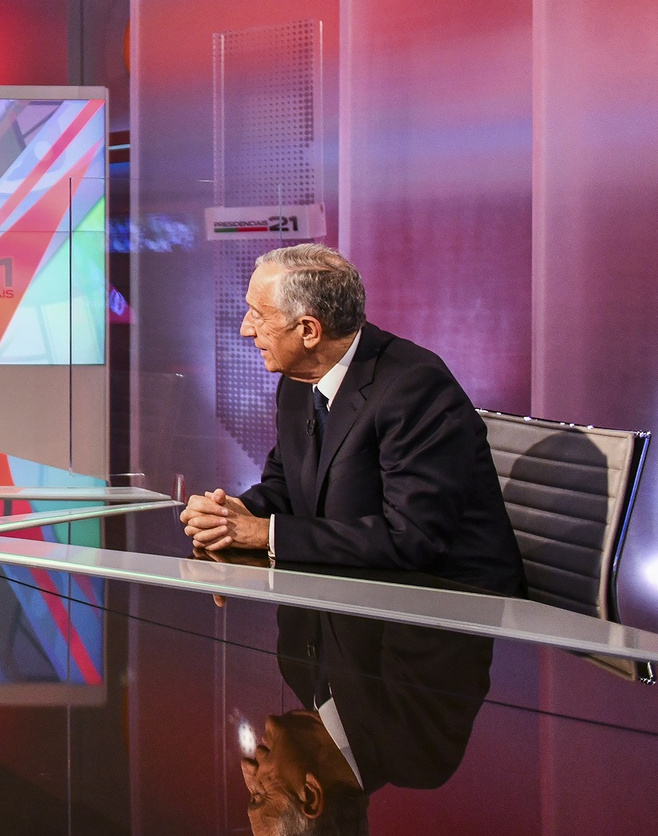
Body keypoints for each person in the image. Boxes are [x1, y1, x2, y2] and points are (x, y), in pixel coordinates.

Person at [180, 244, 524, 595]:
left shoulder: (415, 388)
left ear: (308, 330)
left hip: (443, 605)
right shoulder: (297, 380)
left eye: (258, 314)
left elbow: (412, 536)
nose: (245, 329)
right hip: (348, 591)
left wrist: (264, 533)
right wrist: (232, 513)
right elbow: (286, 486)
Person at [243, 605, 493, 836]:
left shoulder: (294, 662)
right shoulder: (414, 749)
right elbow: (431, 595)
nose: (248, 768)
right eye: (258, 795)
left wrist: (257, 575)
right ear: (311, 795)